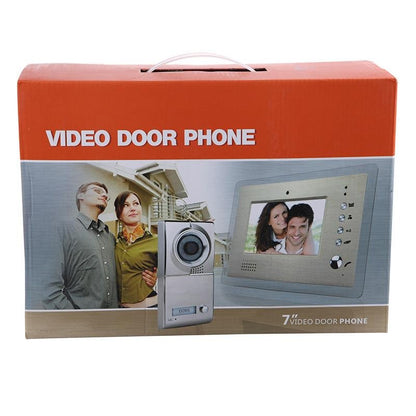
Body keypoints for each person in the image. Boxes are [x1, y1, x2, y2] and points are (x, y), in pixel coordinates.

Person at [43, 182, 119, 309]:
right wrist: (73, 316)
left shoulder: (110, 238)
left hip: (113, 318)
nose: (105, 195)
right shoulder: (63, 231)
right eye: (97, 191)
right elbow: (49, 288)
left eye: (106, 195)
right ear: (81, 196)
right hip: (80, 319)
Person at [114, 191, 158, 308]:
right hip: (119, 310)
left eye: (136, 204)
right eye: (126, 205)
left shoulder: (157, 241)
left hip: (148, 307)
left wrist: (157, 276)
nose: (132, 208)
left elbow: (175, 270)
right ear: (118, 214)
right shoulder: (114, 242)